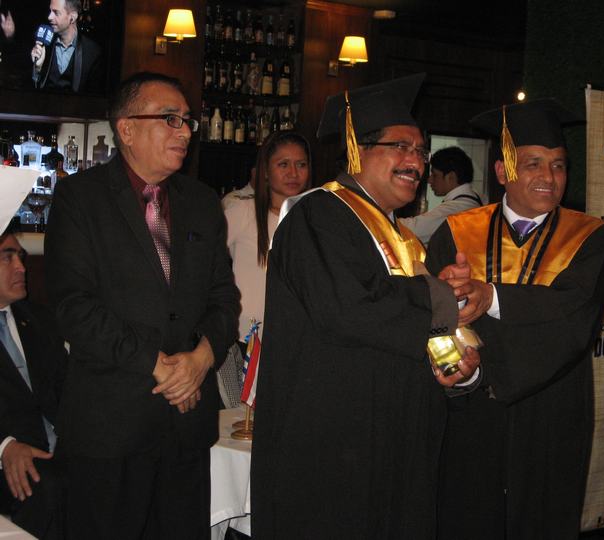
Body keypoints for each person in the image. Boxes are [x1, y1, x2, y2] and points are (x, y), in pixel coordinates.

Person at [250, 73, 482, 539]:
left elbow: (412, 328)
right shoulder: (317, 215)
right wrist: (443, 297)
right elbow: (349, 309)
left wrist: (460, 361)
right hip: (334, 449)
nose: (415, 162)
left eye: (421, 152)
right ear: (358, 149)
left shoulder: (404, 239)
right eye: (401, 147)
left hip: (393, 445)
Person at [44, 71, 239, 540]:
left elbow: (224, 298)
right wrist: (162, 368)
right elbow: (74, 307)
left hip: (186, 427)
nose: (185, 131)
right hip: (109, 429)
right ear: (126, 129)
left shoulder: (201, 202)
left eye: (187, 120)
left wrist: (200, 360)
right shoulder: (80, 198)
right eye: (170, 119)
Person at [426, 99, 604, 540]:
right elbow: (435, 320)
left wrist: (490, 296)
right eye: (533, 163)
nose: (549, 176)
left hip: (552, 410)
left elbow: (574, 317)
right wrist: (464, 366)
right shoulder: (457, 232)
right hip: (472, 409)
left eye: (558, 165)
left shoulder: (589, 238)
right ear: (501, 171)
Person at [219, 131, 310, 407]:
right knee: (240, 422)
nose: (293, 173)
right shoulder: (242, 212)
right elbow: (204, 264)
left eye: (301, 164)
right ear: (266, 172)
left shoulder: (315, 221)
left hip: (296, 343)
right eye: (283, 164)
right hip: (243, 341)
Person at [0, 226, 66, 540]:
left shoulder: (39, 318)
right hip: (10, 459)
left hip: (61, 449)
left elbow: (69, 388)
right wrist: (4, 446)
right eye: (7, 257)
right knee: (50, 486)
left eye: (21, 256)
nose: (22, 268)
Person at [400, 145, 483, 244]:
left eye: (435, 175)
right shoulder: (470, 200)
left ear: (451, 177)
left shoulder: (459, 208)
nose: (429, 180)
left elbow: (413, 230)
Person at [30, 0, 102, 93]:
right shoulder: (44, 44)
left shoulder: (92, 52)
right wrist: (37, 69)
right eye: (50, 11)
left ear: (72, 17)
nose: (49, 17)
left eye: (56, 12)